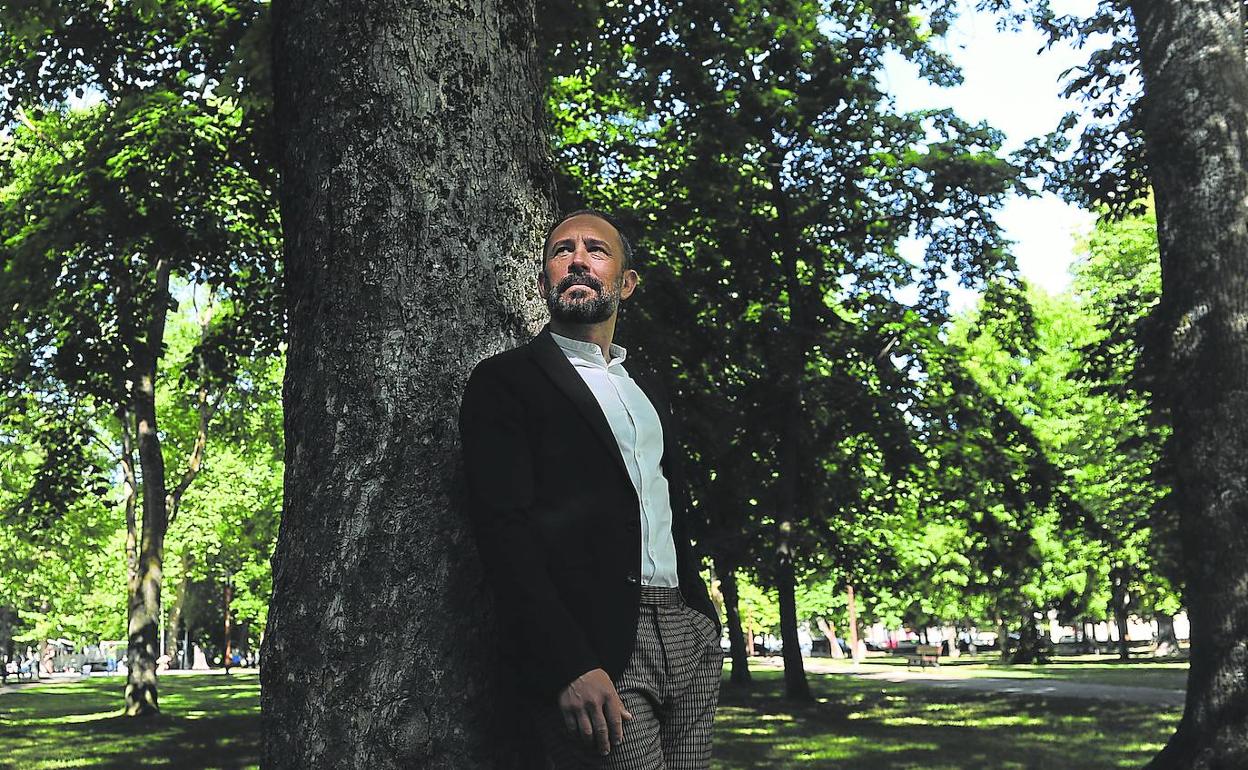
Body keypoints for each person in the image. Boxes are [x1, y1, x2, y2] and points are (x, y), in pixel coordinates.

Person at [460, 209, 722, 768]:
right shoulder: (507, 381)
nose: (578, 260)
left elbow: (668, 505)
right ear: (544, 281)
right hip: (597, 645)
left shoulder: (647, 389)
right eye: (562, 251)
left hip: (687, 632)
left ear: (625, 283)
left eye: (596, 250)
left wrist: (703, 617)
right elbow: (503, 531)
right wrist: (566, 663)